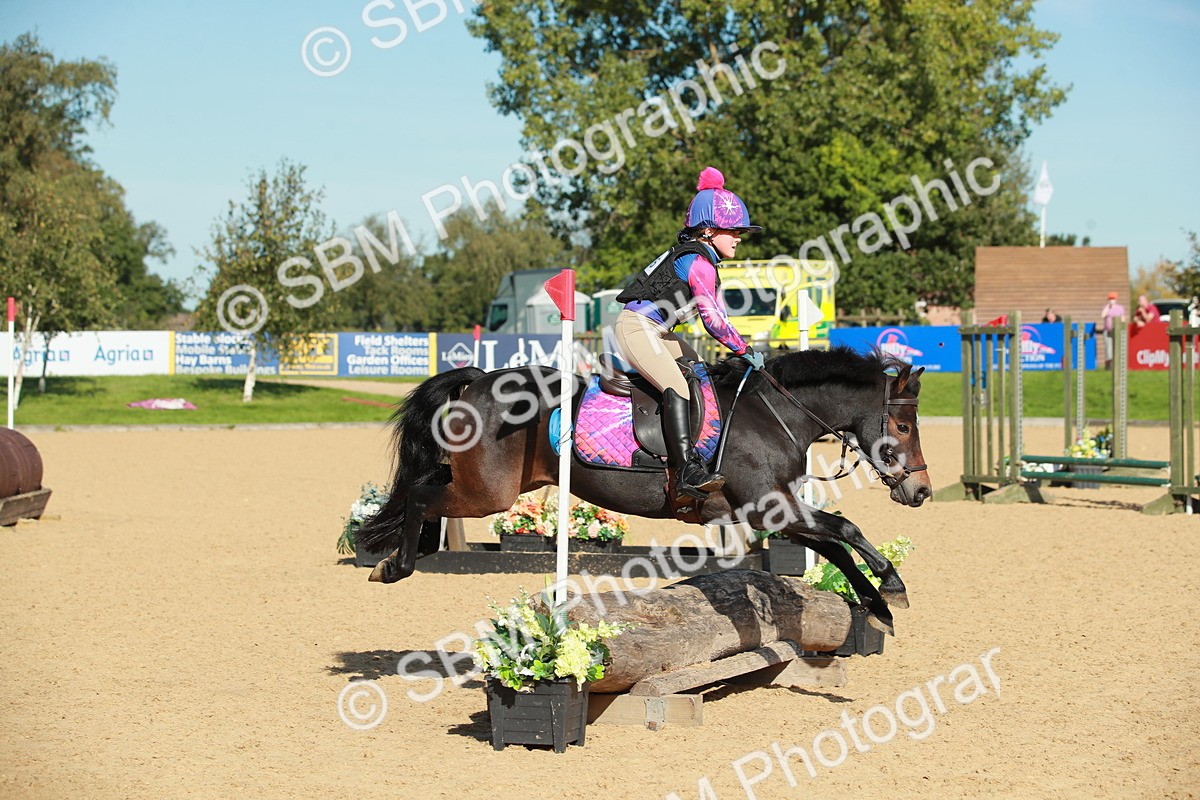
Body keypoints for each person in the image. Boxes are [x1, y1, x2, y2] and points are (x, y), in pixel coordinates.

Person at [613, 166, 762, 500]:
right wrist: (743, 349)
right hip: (638, 328)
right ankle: (685, 472)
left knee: (699, 371)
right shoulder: (698, 263)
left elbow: (721, 317)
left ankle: (708, 447)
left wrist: (742, 347)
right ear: (708, 230)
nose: (739, 237)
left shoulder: (702, 260)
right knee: (677, 385)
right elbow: (714, 322)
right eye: (733, 230)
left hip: (657, 331)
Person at [1100, 292, 1126, 368]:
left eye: (1113, 298)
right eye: (1110, 299)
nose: (1111, 300)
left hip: (1117, 331)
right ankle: (1108, 366)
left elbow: (1123, 319)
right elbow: (1102, 315)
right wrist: (1108, 307)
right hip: (1107, 331)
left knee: (1117, 348)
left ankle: (1117, 365)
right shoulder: (1106, 307)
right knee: (1108, 349)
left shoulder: (1120, 308)